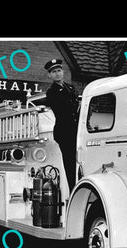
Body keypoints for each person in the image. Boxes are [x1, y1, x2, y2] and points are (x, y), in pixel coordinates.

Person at [44, 59, 79, 190]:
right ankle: (73, 190)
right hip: (65, 132)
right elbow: (63, 110)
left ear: (62, 71)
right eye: (54, 72)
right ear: (49, 75)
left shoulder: (70, 87)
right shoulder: (52, 92)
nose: (57, 74)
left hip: (76, 130)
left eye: (59, 70)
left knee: (79, 162)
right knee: (70, 165)